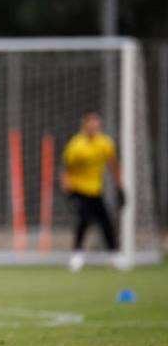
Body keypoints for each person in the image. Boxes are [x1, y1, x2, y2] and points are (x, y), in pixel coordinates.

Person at [61, 109, 125, 272]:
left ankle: (113, 255)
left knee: (106, 223)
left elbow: (114, 166)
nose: (94, 125)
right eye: (91, 122)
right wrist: (68, 190)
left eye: (96, 122)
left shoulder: (105, 143)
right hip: (79, 190)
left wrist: (120, 187)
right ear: (85, 124)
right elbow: (66, 170)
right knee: (83, 222)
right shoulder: (76, 145)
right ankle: (76, 256)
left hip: (96, 191)